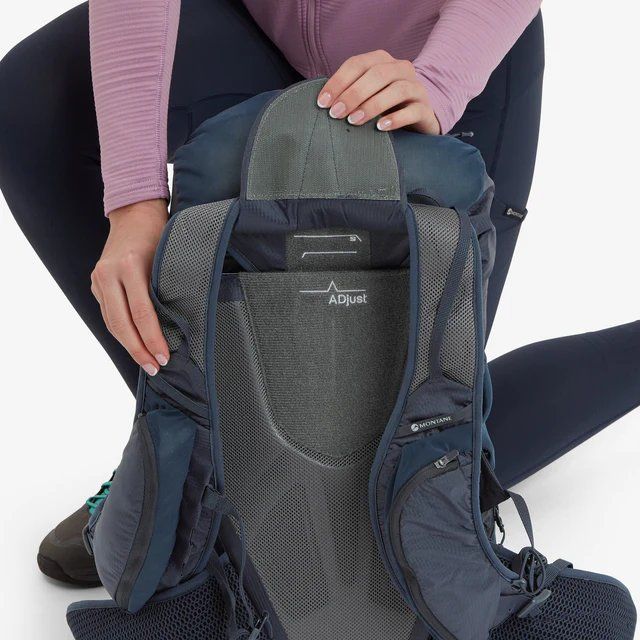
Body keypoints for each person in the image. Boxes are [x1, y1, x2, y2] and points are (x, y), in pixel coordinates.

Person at [0, 0, 638, 587]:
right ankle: (189, 447)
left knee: (402, 462)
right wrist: (134, 201)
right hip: (256, 33)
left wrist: (441, 79)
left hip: (438, 66)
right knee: (31, 103)